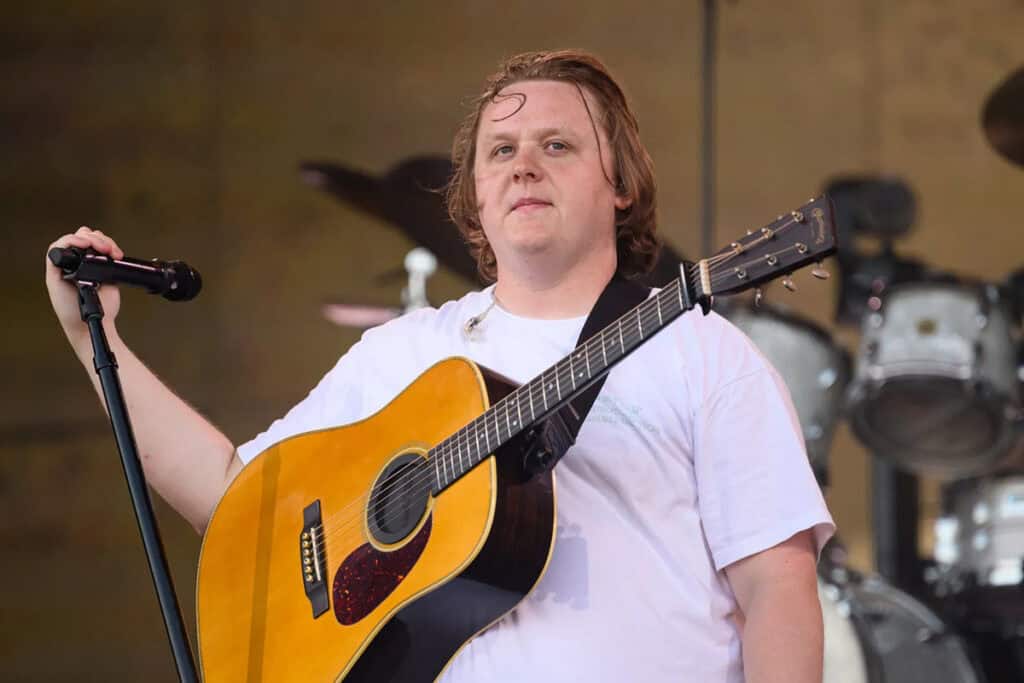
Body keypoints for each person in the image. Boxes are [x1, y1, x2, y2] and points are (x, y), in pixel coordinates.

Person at [46, 49, 833, 682]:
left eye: (557, 145)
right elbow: (231, 494)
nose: (524, 165)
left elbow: (777, 587)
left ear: (620, 184)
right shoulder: (406, 352)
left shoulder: (701, 352)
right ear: (475, 198)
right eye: (501, 151)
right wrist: (97, 343)